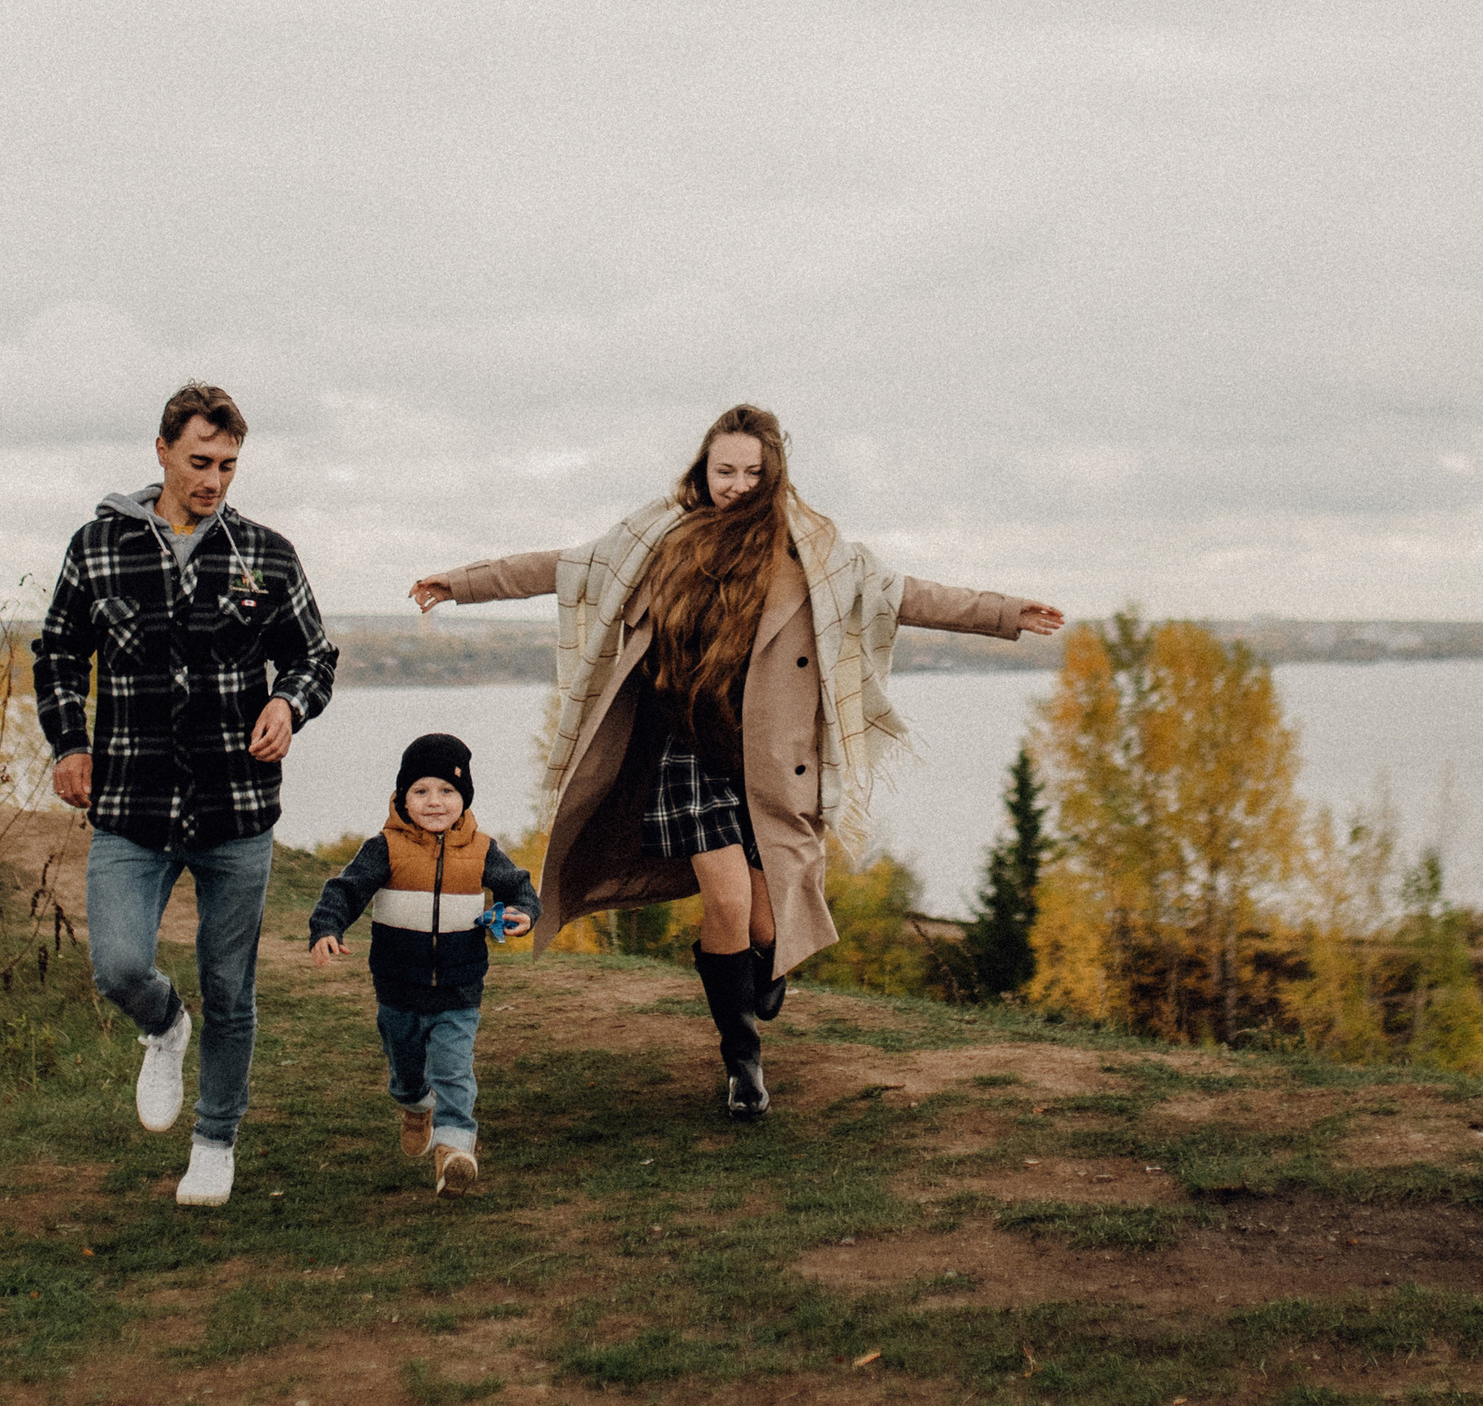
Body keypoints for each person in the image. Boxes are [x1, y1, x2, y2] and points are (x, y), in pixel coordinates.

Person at [410, 405, 1062, 1121]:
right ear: (704, 468)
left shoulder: (812, 551)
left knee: (763, 922)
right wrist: (459, 583)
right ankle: (743, 1062)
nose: (738, 485)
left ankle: (762, 971)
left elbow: (901, 594)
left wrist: (1004, 613)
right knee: (724, 900)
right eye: (725, 470)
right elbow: (563, 566)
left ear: (773, 474)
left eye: (754, 473)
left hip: (769, 761)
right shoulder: (661, 538)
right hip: (682, 749)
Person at [33, 382, 334, 1208]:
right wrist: (69, 743)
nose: (214, 479)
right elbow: (57, 653)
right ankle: (163, 1026)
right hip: (131, 805)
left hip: (237, 810)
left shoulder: (265, 555)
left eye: (229, 465)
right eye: (200, 461)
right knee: (121, 963)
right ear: (161, 451)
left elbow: (314, 656)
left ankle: (214, 1142)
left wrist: (288, 702)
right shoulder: (96, 546)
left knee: (232, 988)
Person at [305, 729, 540, 1196]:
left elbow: (519, 890)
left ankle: (454, 1150)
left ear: (464, 797)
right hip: (398, 987)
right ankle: (414, 1106)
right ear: (402, 798)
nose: (435, 802)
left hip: (459, 988)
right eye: (421, 791)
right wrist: (327, 928)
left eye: (447, 791)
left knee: (454, 1070)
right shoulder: (384, 848)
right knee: (407, 1068)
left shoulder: (481, 849)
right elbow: (345, 890)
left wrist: (522, 916)